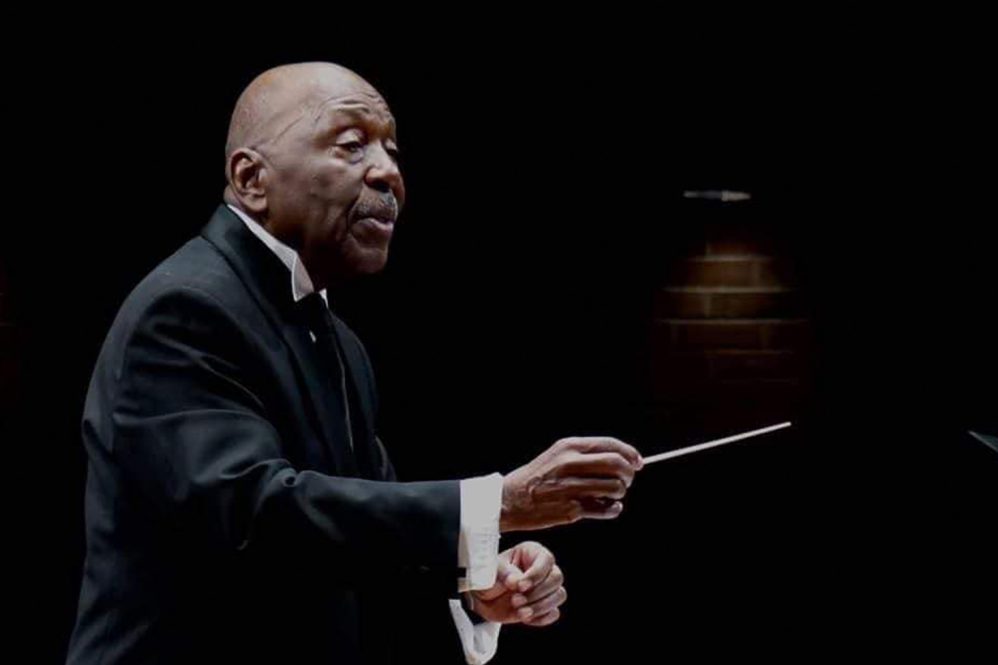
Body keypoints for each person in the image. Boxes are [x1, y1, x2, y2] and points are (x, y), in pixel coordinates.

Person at [66, 62, 643, 664]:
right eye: (351, 145)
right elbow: (258, 517)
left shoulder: (337, 339)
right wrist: (500, 501)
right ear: (251, 178)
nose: (388, 171)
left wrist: (476, 590)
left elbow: (353, 538)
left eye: (392, 150)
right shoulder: (185, 309)